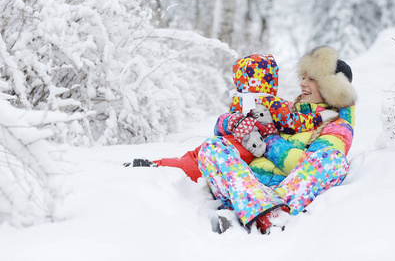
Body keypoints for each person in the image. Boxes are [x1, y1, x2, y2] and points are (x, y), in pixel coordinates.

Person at [197, 46, 356, 234]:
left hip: (283, 194)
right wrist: (232, 122)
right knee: (212, 146)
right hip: (244, 188)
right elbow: (225, 128)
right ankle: (256, 214)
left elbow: (302, 166)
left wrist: (269, 138)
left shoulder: (338, 126)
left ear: (331, 87)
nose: (303, 83)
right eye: (303, 77)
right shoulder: (287, 110)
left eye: (311, 79)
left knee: (334, 161)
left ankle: (267, 214)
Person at [125, 54, 336, 183]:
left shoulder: (239, 99)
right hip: (243, 148)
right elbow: (292, 123)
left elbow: (228, 120)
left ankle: (159, 164)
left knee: (193, 156)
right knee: (201, 167)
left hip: (224, 139)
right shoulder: (273, 103)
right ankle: (167, 171)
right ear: (270, 80)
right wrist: (319, 116)